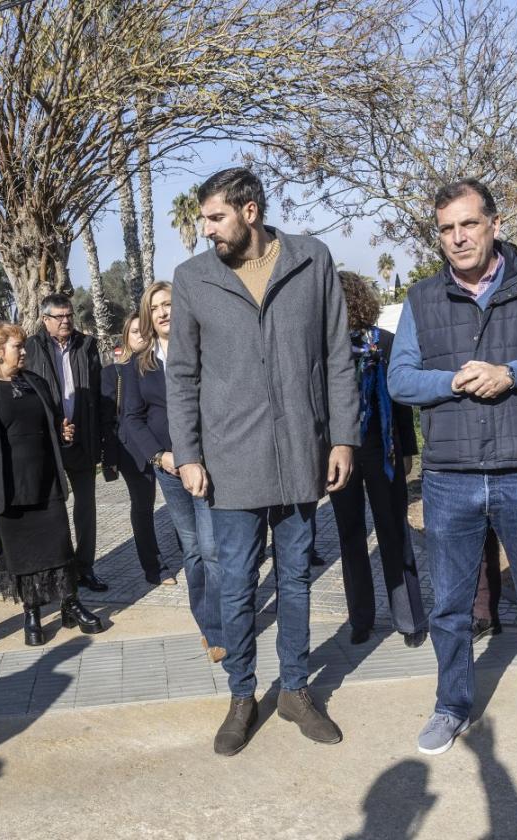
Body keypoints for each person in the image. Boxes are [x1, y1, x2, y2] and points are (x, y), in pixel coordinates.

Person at [388, 179, 517, 768]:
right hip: (451, 476)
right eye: (447, 229)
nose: (458, 238)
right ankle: (451, 704)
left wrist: (512, 373)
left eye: (468, 225)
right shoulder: (423, 298)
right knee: (451, 607)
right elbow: (400, 380)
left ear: (495, 225)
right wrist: (453, 380)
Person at [166, 168, 358, 756]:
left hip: (301, 451)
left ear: (250, 213)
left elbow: (336, 354)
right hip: (228, 460)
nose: (207, 231)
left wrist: (343, 438)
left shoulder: (311, 260)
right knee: (236, 582)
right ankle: (242, 695)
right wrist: (189, 453)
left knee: (296, 578)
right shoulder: (193, 278)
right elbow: (182, 374)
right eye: (203, 220)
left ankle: (296, 691)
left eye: (216, 218)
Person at [0, 322, 104, 646]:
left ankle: (70, 604)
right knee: (21, 555)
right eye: (17, 347)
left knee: (59, 547)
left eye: (24, 346)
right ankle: (32, 612)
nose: (24, 352)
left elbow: (54, 424)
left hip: (45, 481)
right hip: (6, 488)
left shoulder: (35, 382)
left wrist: (63, 434)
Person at [122, 282, 225, 662]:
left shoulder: (202, 353)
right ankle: (210, 626)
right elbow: (132, 420)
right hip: (169, 469)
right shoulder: (138, 366)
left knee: (213, 548)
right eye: (156, 307)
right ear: (148, 316)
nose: (164, 312)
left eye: (169, 304)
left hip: (207, 464)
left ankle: (223, 626)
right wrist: (158, 457)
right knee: (194, 550)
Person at [330, 271, 427, 648]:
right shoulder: (323, 347)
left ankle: (409, 617)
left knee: (394, 531)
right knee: (350, 536)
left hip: (382, 449)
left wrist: (406, 451)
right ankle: (361, 619)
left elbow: (401, 401)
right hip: (339, 455)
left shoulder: (383, 342)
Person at [25, 294, 109, 592]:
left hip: (83, 441)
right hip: (49, 443)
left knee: (86, 509)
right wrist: (53, 424)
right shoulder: (31, 348)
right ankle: (59, 574)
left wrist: (101, 439)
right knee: (53, 512)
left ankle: (85, 568)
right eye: (59, 317)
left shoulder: (87, 345)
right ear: (44, 319)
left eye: (69, 316)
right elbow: (28, 395)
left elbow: (98, 394)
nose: (65, 322)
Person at [102, 312, 175, 586]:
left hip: (169, 446)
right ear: (126, 338)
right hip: (133, 452)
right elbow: (110, 418)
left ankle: (193, 555)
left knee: (180, 505)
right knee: (143, 507)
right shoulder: (114, 372)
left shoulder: (164, 365)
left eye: (144, 330)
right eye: (134, 332)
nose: (141, 336)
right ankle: (153, 566)